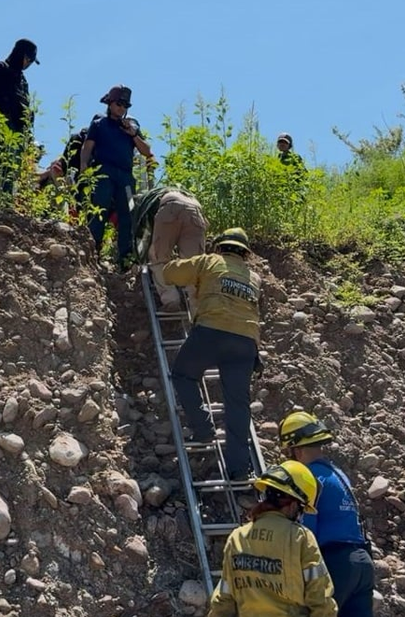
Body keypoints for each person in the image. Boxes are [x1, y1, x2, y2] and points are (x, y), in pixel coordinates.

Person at [164, 228, 261, 479]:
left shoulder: (209, 261)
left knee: (184, 375)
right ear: (244, 253)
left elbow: (170, 273)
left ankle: (203, 428)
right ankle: (240, 469)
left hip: (211, 332)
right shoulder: (254, 278)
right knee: (238, 405)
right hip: (245, 342)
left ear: (219, 247)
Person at [207, 461, 340, 617]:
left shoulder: (237, 537)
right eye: (301, 509)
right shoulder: (300, 537)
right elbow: (320, 598)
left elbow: (224, 596)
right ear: (293, 505)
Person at [277, 411, 375, 617]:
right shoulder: (337, 474)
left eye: (287, 452)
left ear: (297, 449)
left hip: (335, 562)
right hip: (362, 563)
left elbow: (307, 531)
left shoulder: (308, 477)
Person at [78, 85, 155, 265]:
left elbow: (146, 151)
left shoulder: (132, 126)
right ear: (110, 103)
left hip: (126, 176)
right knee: (99, 211)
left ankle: (125, 258)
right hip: (103, 171)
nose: (122, 108)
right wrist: (83, 166)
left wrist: (133, 135)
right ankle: (93, 251)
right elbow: (87, 147)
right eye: (119, 104)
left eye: (126, 105)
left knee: (127, 214)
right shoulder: (99, 123)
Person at [0, 39, 39, 192]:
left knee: (15, 165)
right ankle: (1, 197)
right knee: (7, 160)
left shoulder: (22, 80)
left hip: (19, 129)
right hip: (2, 123)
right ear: (23, 56)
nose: (28, 65)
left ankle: (7, 197)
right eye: (28, 60)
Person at [131, 187, 209, 311]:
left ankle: (171, 300)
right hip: (196, 211)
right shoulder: (178, 192)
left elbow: (146, 234)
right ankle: (197, 306)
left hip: (171, 208)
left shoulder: (147, 203)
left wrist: (144, 255)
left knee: (158, 257)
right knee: (195, 263)